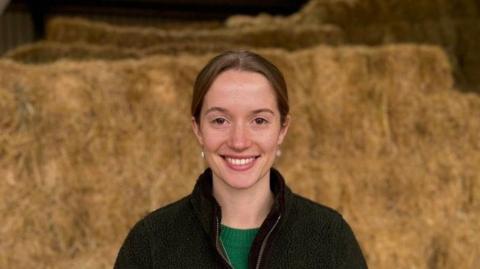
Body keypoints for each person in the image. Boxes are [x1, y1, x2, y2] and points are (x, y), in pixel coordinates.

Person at [114, 50, 368, 269]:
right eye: (220, 120)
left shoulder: (330, 238)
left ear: (282, 129)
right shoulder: (151, 242)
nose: (239, 142)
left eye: (259, 121)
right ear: (197, 129)